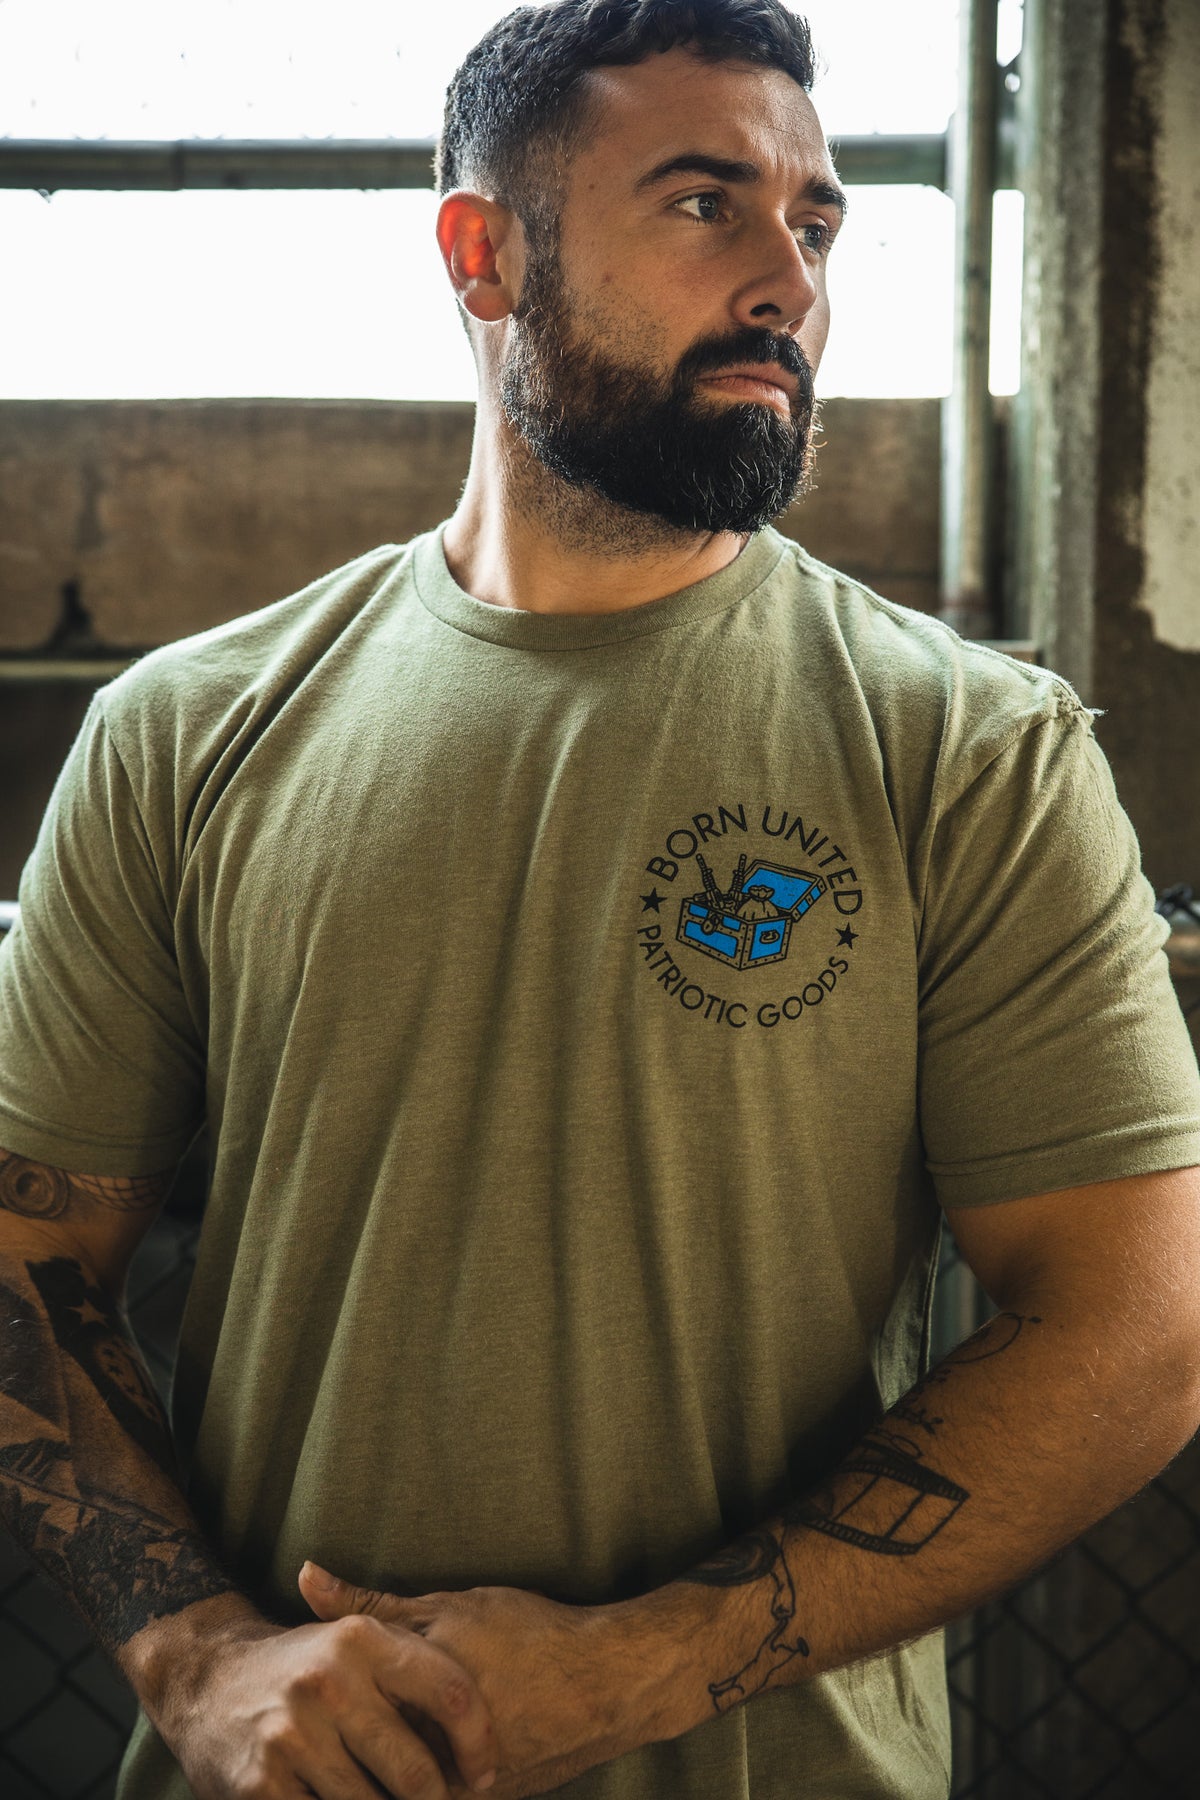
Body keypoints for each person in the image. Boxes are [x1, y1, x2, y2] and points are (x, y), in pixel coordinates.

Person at [2, 2, 1199, 1796]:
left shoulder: (966, 744)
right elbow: (29, 1251)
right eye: (706, 204)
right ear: (485, 255)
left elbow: (1137, 1327)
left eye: (817, 222)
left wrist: (657, 1662)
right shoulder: (187, 732)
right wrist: (202, 1657)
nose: (787, 278)